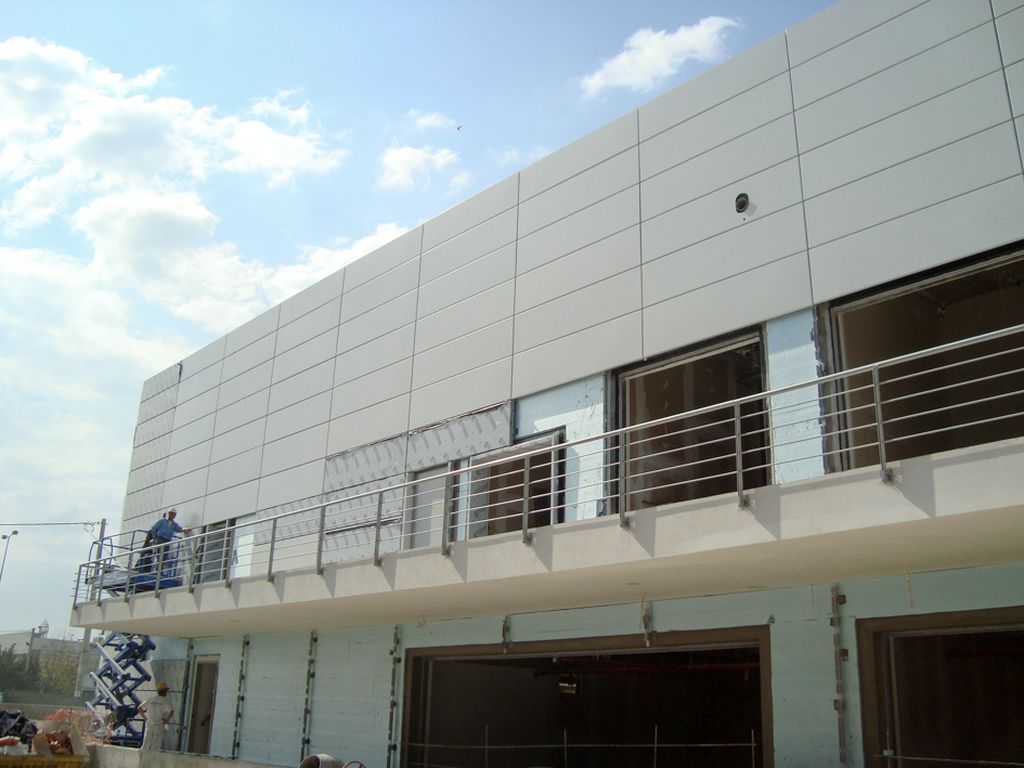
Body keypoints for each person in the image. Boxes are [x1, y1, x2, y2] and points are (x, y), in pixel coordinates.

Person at [145, 509, 190, 573]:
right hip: (160, 539)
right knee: (159, 555)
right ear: (168, 513)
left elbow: (179, 529)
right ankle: (157, 571)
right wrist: (154, 539)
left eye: (173, 514)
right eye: (170, 513)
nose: (171, 515)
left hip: (167, 541)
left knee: (164, 556)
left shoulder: (174, 524)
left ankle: (160, 570)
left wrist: (186, 529)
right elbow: (154, 529)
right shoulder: (162, 521)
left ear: (175, 515)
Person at [139, 681, 174, 751]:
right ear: (164, 691)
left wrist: (145, 718)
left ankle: (142, 759)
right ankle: (152, 759)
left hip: (150, 723)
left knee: (146, 743)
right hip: (159, 724)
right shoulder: (165, 701)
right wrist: (166, 720)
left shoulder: (152, 699)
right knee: (156, 745)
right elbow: (171, 711)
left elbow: (139, 708)